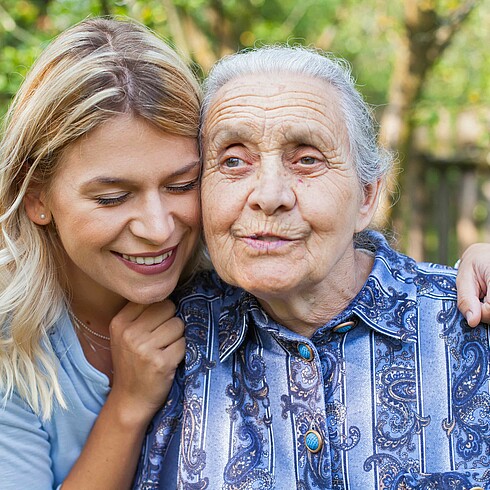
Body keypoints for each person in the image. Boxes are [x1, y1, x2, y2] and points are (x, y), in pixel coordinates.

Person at [135, 46, 490, 489]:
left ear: (366, 197)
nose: (269, 194)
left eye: (306, 159)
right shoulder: (154, 342)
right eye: (233, 160)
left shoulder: (472, 325)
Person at [0, 18, 203, 489]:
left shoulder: (236, 293)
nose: (158, 229)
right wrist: (128, 405)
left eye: (182, 185)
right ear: (37, 196)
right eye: (112, 197)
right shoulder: (12, 343)